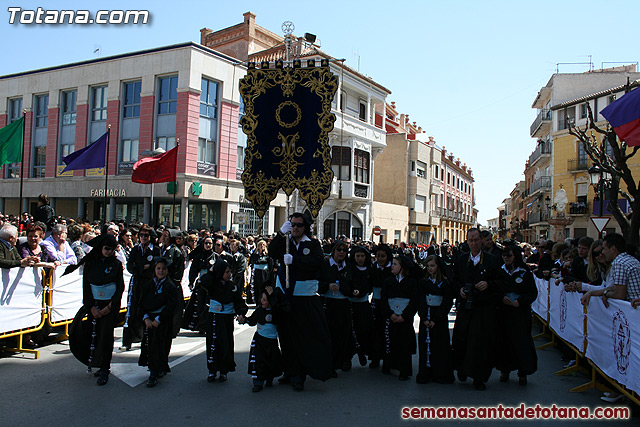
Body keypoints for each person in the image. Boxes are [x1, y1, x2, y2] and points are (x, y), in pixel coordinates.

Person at [268, 212, 331, 391]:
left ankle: (300, 374)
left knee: (303, 336)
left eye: (299, 225)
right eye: (292, 224)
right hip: (286, 297)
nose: (295, 228)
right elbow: (272, 252)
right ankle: (289, 370)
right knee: (286, 336)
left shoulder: (312, 244)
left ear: (306, 227)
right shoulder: (285, 242)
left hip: (304, 298)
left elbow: (317, 262)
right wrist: (280, 234)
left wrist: (296, 260)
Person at [68, 234, 125, 385]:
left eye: (112, 249)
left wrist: (110, 307)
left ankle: (105, 368)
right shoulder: (91, 264)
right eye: (106, 249)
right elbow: (86, 286)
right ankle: (96, 362)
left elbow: (119, 288)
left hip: (108, 305)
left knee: (106, 337)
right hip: (94, 304)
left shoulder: (117, 264)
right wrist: (90, 306)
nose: (109, 252)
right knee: (93, 335)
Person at [451, 228, 503, 391]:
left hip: (484, 309)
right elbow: (454, 280)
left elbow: (501, 282)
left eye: (476, 240)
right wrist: (459, 290)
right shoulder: (461, 260)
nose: (473, 243)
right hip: (466, 308)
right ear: (467, 241)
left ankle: (479, 377)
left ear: (481, 241)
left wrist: (489, 284)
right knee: (461, 338)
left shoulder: (492, 260)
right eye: (470, 240)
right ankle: (462, 368)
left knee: (480, 343)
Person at [200, 258, 248, 383]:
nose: (229, 274)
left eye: (230, 272)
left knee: (226, 344)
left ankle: (224, 370)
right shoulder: (212, 284)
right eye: (226, 272)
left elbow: (239, 302)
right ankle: (212, 370)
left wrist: (241, 313)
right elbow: (203, 281)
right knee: (212, 343)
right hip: (214, 318)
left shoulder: (233, 287)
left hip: (226, 318)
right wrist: (211, 271)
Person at [496, 245, 538, 386]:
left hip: (520, 313)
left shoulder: (525, 272)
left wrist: (520, 301)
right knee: (504, 342)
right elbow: (494, 289)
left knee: (522, 343)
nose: (506, 258)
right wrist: (501, 298)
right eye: (504, 255)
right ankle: (504, 370)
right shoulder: (500, 271)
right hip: (504, 312)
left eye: (509, 255)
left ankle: (523, 372)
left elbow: (533, 293)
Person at [138, 258, 179, 388]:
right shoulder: (148, 285)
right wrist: (146, 318)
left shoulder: (170, 286)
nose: (161, 271)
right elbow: (141, 303)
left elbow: (171, 305)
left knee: (161, 346)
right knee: (150, 346)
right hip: (149, 319)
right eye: (158, 268)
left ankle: (157, 370)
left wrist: (159, 319)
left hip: (162, 320)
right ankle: (153, 370)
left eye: (164, 269)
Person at [416, 255, 455, 384]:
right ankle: (425, 373)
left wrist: (436, 319)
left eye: (432, 266)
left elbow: (447, 302)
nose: (430, 269)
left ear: (438, 266)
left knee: (440, 347)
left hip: (438, 317)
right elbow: (420, 299)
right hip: (426, 315)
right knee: (425, 346)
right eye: (428, 266)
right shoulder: (423, 282)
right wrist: (423, 317)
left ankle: (440, 374)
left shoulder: (445, 283)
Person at [380, 255, 418, 381]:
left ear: (402, 267)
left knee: (404, 343)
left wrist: (405, 316)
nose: (392, 266)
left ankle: (404, 370)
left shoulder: (411, 282)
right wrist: (390, 314)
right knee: (390, 340)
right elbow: (384, 299)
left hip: (404, 317)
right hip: (391, 315)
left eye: (395, 264)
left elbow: (414, 301)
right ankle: (388, 365)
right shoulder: (388, 281)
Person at [319, 240, 353, 377]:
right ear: (333, 250)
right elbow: (317, 281)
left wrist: (343, 288)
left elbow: (352, 286)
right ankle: (329, 363)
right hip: (328, 303)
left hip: (343, 304)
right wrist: (327, 285)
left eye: (344, 250)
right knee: (329, 333)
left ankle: (344, 359)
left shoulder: (348, 266)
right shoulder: (325, 264)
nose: (341, 253)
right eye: (339, 249)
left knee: (344, 333)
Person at [124, 226, 161, 350]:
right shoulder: (135, 250)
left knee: (147, 310)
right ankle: (129, 339)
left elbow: (153, 266)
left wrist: (142, 267)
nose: (143, 238)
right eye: (141, 235)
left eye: (146, 235)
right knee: (133, 309)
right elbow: (130, 266)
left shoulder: (155, 250)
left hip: (149, 283)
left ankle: (147, 339)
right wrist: (140, 267)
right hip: (137, 283)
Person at [581, 233, 640, 306]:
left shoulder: (619, 263)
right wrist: (592, 292)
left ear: (613, 249)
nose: (602, 252)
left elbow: (619, 294)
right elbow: (614, 287)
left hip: (634, 309)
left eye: (604, 249)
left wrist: (606, 294)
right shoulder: (631, 260)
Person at [241, 288, 283, 392]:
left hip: (272, 341)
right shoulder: (259, 311)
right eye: (262, 299)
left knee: (272, 360)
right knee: (259, 360)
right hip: (260, 340)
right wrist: (244, 319)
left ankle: (269, 378)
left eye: (265, 299)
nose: (262, 301)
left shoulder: (276, 311)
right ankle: (258, 382)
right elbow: (252, 320)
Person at [183, 236, 216, 334]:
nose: (208, 245)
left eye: (210, 243)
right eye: (206, 243)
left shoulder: (216, 256)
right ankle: (201, 327)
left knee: (209, 306)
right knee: (200, 306)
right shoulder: (199, 256)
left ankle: (208, 326)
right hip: (201, 284)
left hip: (212, 285)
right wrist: (191, 282)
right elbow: (193, 270)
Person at [348, 245, 374, 368]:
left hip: (363, 303)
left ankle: (363, 352)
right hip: (351, 302)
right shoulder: (350, 269)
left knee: (364, 330)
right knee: (350, 331)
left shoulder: (370, 269)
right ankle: (347, 358)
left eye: (362, 256)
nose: (360, 259)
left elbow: (370, 285)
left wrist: (363, 292)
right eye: (357, 256)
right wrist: (353, 290)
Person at [369, 244, 394, 369]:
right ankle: (375, 358)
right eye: (378, 256)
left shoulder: (392, 269)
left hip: (389, 303)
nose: (380, 259)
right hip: (376, 302)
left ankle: (388, 360)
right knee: (375, 330)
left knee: (387, 331)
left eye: (383, 256)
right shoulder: (374, 267)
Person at [159, 229, 186, 338]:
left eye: (166, 236)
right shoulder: (162, 249)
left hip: (172, 284)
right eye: (163, 235)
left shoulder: (175, 251)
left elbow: (175, 270)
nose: (164, 238)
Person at [248, 239, 275, 306]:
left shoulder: (267, 255)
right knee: (256, 288)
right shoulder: (254, 254)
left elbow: (270, 264)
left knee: (263, 288)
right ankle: (257, 302)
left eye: (263, 245)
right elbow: (252, 262)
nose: (262, 246)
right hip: (257, 273)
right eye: (260, 245)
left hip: (265, 273)